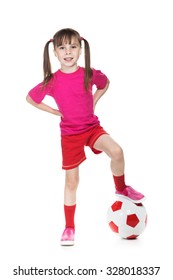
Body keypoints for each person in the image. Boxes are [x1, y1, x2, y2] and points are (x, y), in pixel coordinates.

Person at [26, 28, 145, 246]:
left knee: (117, 151)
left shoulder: (88, 73)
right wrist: (54, 112)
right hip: (70, 135)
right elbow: (31, 98)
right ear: (55, 52)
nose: (68, 51)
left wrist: (94, 101)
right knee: (72, 181)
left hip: (92, 128)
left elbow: (105, 82)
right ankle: (69, 226)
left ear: (80, 50)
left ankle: (121, 187)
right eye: (62, 47)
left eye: (73, 46)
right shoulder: (52, 80)